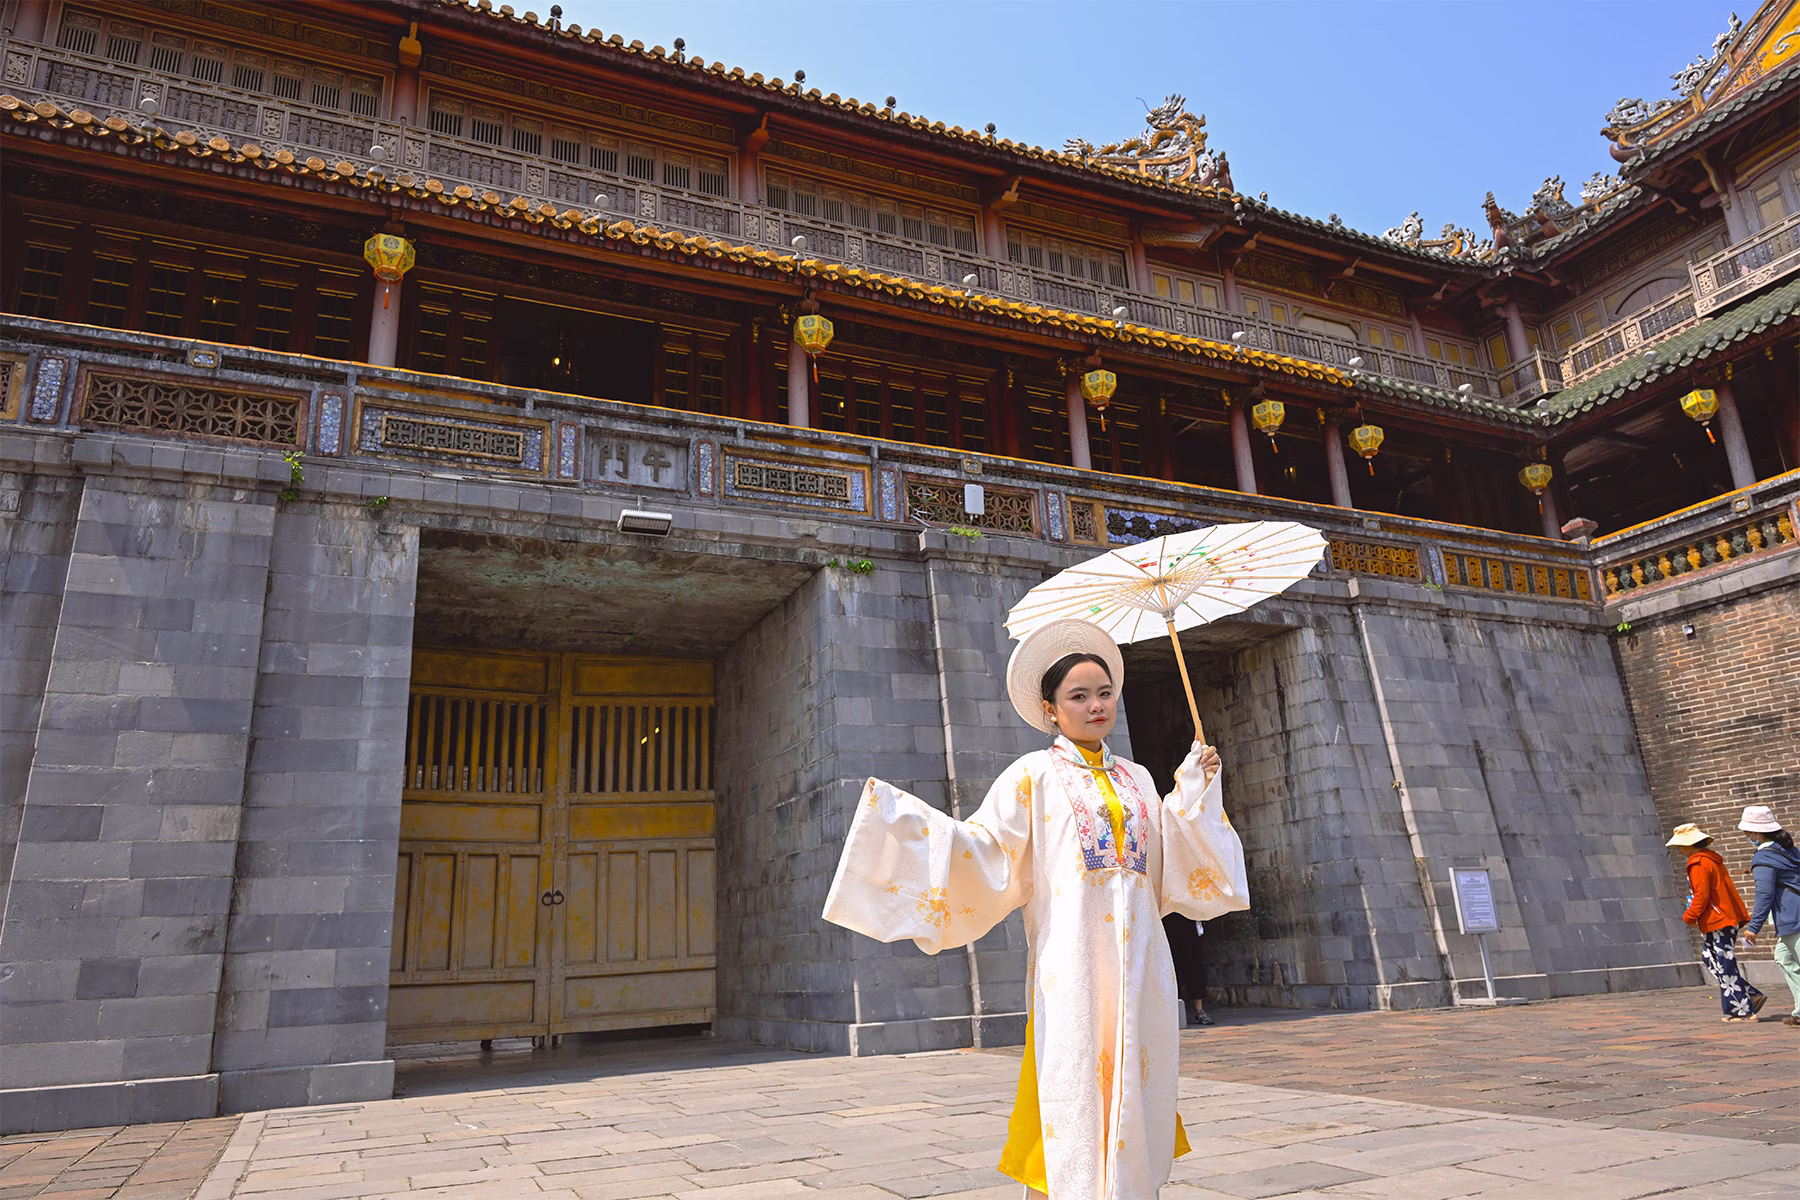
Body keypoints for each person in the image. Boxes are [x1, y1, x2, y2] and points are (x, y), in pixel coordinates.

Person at [823, 619, 1249, 1200]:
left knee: (1140, 1074)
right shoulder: (1032, 776)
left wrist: (1195, 787)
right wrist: (906, 825)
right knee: (1072, 1082)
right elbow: (984, 851)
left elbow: (1171, 856)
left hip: (1144, 961)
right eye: (1079, 696)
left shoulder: (1138, 778)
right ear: (1050, 709)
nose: (1096, 705)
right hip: (1073, 962)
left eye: (1105, 693)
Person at [1667, 822, 1765, 1022]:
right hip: (1723, 918)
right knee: (1712, 958)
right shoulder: (1710, 859)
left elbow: (1701, 895)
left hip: (1718, 919)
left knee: (1724, 963)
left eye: (1680, 845)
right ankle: (1749, 994)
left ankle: (1742, 1010)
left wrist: (1690, 916)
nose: (1679, 850)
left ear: (1689, 845)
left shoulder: (1698, 863)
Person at [1737, 805, 1800, 1028]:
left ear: (1757, 832)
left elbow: (1764, 894)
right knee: (1784, 958)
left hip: (1793, 917)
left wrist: (1754, 927)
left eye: (1747, 832)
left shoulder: (1764, 856)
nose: (1746, 835)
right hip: (1791, 917)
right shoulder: (1789, 850)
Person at [1161, 914, 1214, 1026]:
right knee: (1172, 966)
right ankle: (1175, 1010)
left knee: (1194, 962)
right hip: (1166, 918)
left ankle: (1199, 1010)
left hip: (1187, 916)